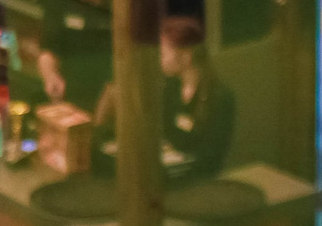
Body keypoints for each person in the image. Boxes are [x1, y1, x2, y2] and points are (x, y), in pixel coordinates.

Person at [98, 15, 238, 184]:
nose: (159, 59)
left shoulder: (219, 98)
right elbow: (156, 128)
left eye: (163, 54)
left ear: (186, 57)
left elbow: (210, 158)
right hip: (165, 167)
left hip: (196, 179)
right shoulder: (169, 87)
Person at [32, 0, 116, 119]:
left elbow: (125, 65)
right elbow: (49, 47)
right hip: (69, 93)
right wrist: (50, 76)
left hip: (109, 97)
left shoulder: (120, 1)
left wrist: (103, 114)